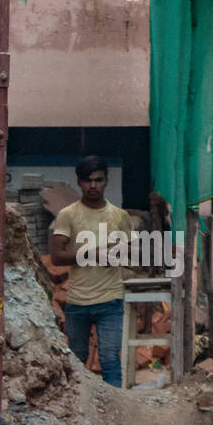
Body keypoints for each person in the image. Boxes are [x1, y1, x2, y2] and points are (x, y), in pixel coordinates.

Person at [49, 155, 133, 387]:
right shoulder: (68, 214)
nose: (93, 185)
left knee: (110, 360)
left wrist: (117, 255)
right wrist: (93, 253)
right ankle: (78, 412)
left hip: (110, 299)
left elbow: (132, 254)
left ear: (106, 181)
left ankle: (115, 413)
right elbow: (56, 255)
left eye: (98, 180)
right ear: (78, 182)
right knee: (76, 360)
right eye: (87, 181)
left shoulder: (119, 216)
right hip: (77, 300)